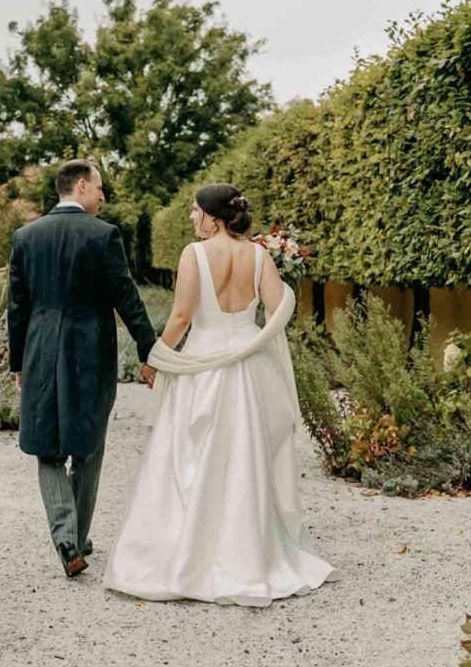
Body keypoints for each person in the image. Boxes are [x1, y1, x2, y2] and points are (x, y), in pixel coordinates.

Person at [103, 182, 338, 606]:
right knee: (246, 455)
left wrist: (157, 357)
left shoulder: (194, 254)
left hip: (203, 364)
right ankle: (249, 552)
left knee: (192, 455)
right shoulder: (259, 255)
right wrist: (254, 338)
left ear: (213, 218)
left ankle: (191, 554)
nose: (192, 217)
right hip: (250, 364)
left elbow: (181, 316)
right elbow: (279, 306)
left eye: (196, 211)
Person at [7, 159, 157, 578]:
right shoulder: (103, 235)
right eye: (99, 187)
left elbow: (17, 307)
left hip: (40, 349)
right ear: (81, 186)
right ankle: (75, 538)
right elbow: (127, 297)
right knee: (89, 444)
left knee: (47, 446)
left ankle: (67, 538)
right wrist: (149, 350)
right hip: (90, 351)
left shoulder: (26, 236)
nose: (103, 196)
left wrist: (17, 361)